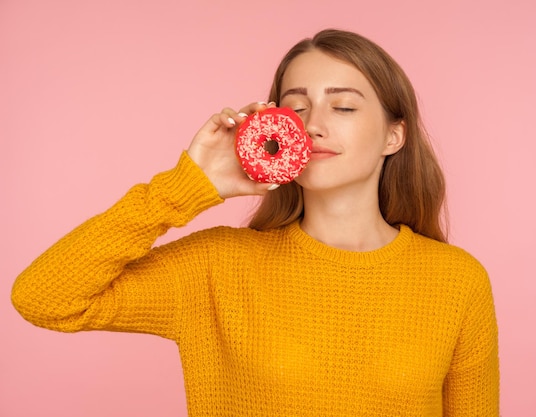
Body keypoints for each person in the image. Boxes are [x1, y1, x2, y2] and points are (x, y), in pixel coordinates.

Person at [11, 29, 499, 416]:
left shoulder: (457, 280)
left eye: (344, 106)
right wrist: (187, 185)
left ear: (394, 136)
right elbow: (45, 298)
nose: (312, 124)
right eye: (296, 108)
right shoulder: (219, 266)